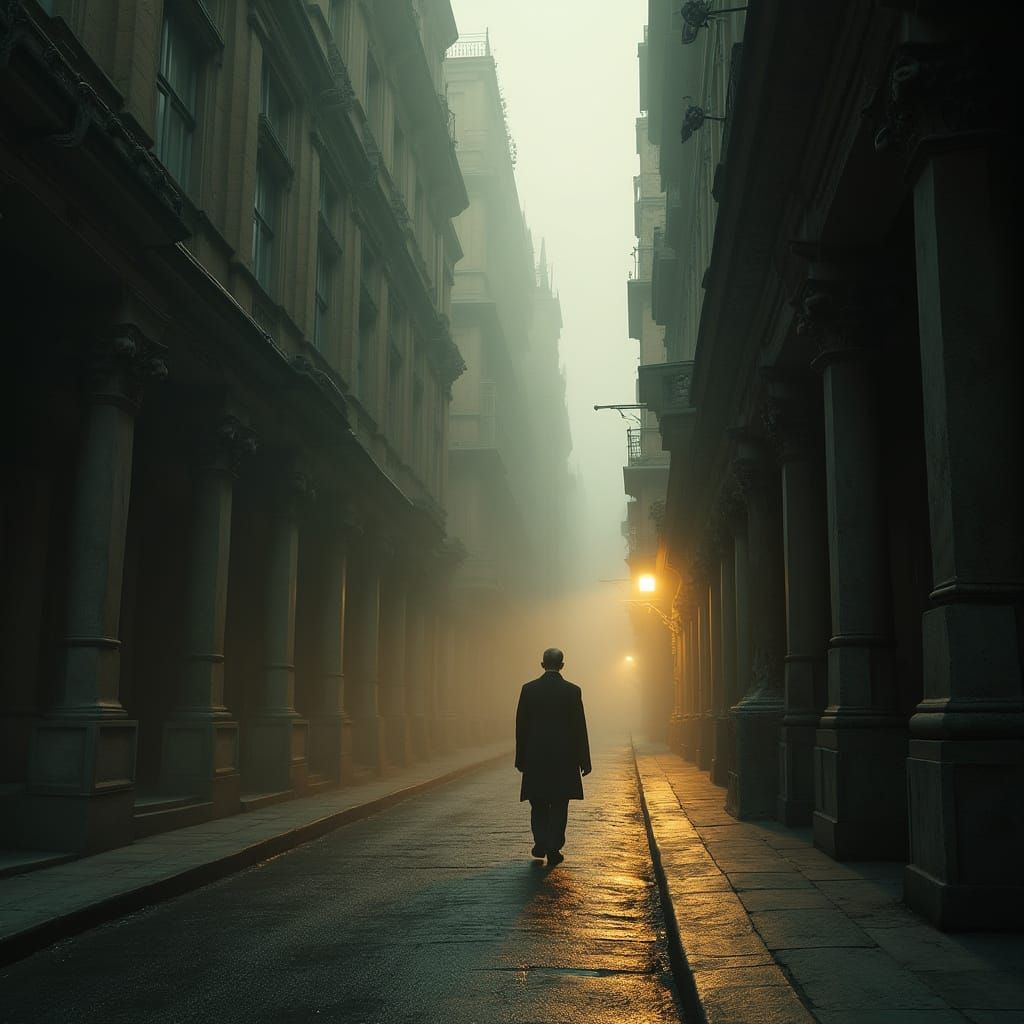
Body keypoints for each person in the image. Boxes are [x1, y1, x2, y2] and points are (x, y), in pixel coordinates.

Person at [514, 647, 592, 867]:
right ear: (562, 665)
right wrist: (584, 761)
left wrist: (520, 759)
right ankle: (553, 846)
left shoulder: (528, 690)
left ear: (541, 664)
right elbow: (579, 728)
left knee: (538, 802)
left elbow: (521, 727)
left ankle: (540, 842)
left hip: (535, 757)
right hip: (564, 758)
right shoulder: (572, 691)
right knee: (559, 803)